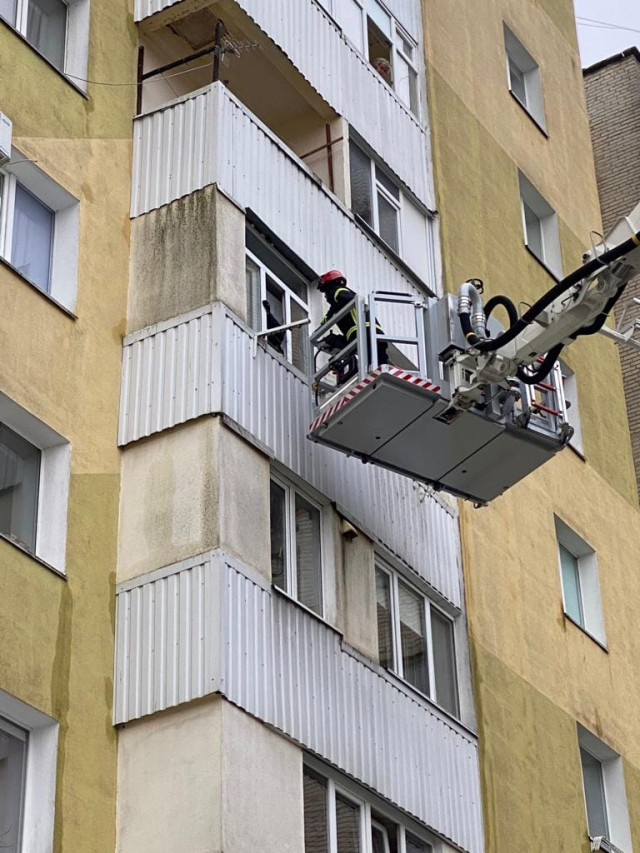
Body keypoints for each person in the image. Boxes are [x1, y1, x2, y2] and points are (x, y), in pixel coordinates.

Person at [316, 270, 389, 375]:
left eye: (325, 292)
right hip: (373, 333)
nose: (326, 296)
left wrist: (328, 316)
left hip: (363, 332)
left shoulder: (338, 291)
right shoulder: (346, 299)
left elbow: (345, 298)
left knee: (372, 366)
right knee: (380, 365)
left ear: (329, 286)